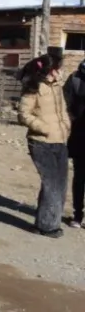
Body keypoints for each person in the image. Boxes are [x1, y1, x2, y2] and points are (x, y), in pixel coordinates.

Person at [19, 54, 70, 238]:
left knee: (60, 184)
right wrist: (44, 128)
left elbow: (62, 110)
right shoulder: (33, 87)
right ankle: (48, 227)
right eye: (58, 68)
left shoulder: (57, 86)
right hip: (40, 142)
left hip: (60, 141)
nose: (61, 71)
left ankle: (43, 221)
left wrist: (66, 125)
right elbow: (23, 114)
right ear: (50, 70)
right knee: (52, 184)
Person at [64, 60, 85, 228]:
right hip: (80, 136)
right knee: (80, 177)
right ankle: (78, 215)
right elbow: (65, 104)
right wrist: (72, 121)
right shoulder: (76, 78)